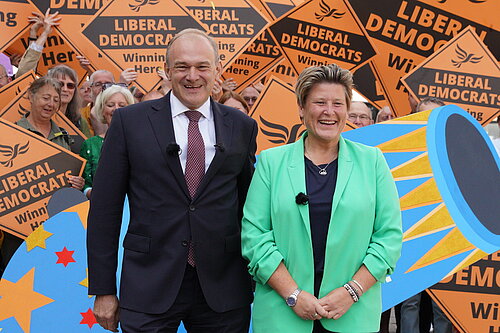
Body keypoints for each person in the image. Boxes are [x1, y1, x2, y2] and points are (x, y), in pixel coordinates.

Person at [86, 28, 257, 332]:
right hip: (148, 284)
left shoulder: (242, 126)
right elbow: (104, 210)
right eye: (182, 67)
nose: (193, 76)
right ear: (166, 71)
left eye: (202, 66)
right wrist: (104, 289)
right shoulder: (130, 122)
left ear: (216, 70)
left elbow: (250, 208)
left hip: (223, 288)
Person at [241, 64, 402, 333]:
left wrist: (351, 291)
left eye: (338, 103)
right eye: (319, 102)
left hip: (352, 316)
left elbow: (389, 237)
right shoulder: (271, 163)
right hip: (282, 316)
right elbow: (254, 237)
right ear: (302, 109)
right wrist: (293, 295)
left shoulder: (372, 162)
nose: (329, 111)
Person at [80, 85, 134, 199]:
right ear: (102, 110)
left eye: (122, 105)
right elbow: (85, 183)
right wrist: (92, 193)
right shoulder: (90, 144)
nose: (116, 109)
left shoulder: (140, 142)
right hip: (102, 207)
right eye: (110, 105)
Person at [48, 65, 91, 138]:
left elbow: (87, 147)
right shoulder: (40, 117)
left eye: (70, 85)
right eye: (60, 84)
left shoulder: (80, 121)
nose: (65, 89)